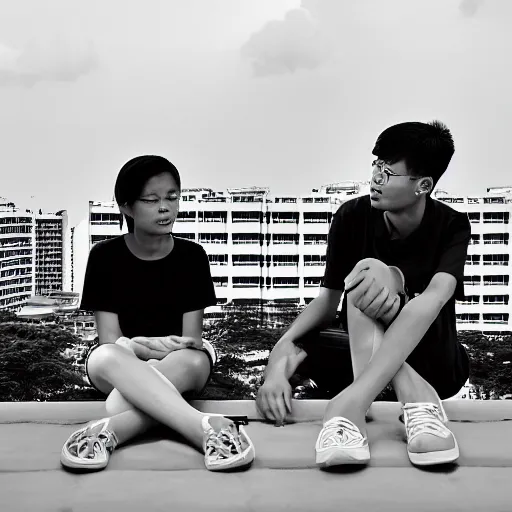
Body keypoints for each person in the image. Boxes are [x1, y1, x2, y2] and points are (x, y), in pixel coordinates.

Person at [257, 120, 470, 468]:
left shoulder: (451, 224)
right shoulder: (352, 217)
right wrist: (276, 363)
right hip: (361, 347)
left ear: (423, 185)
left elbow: (433, 300)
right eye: (375, 166)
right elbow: (327, 302)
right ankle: (417, 402)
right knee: (360, 280)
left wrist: (354, 397)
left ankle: (348, 408)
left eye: (388, 172)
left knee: (370, 272)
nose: (375, 178)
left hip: (436, 359)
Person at [60, 155, 255, 472]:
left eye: (172, 197)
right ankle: (201, 428)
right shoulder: (104, 256)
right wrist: (143, 351)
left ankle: (110, 431)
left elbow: (190, 341)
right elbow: (112, 341)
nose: (165, 208)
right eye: (151, 200)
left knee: (185, 363)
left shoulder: (192, 257)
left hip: (180, 362)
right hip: (119, 362)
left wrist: (148, 357)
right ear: (126, 207)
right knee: (106, 356)